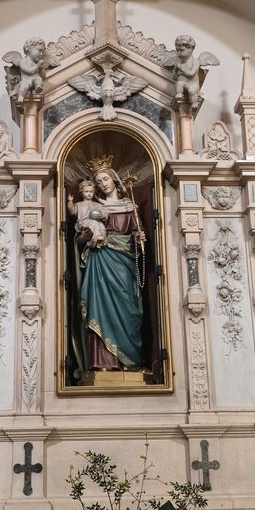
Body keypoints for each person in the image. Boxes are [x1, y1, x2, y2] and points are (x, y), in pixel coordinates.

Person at [76, 157, 146, 371]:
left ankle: (129, 360)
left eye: (105, 179)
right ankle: (103, 362)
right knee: (100, 306)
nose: (103, 184)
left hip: (123, 261)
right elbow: (81, 235)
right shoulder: (95, 208)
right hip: (100, 259)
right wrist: (87, 234)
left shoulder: (129, 206)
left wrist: (139, 238)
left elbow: (135, 233)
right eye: (98, 182)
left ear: (114, 179)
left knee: (127, 306)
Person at [67, 180, 108, 249]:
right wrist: (70, 202)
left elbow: (104, 214)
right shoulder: (79, 204)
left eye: (91, 191)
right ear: (81, 192)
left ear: (94, 192)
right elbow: (72, 212)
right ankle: (97, 238)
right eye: (86, 191)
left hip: (96, 222)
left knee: (102, 227)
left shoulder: (98, 205)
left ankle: (99, 241)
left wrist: (102, 216)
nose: (89, 194)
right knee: (94, 223)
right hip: (84, 222)